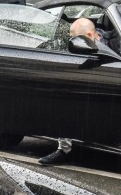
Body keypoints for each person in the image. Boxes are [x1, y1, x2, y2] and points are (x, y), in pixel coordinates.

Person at [38, 18, 107, 166]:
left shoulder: (113, 45)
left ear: (89, 35)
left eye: (74, 38)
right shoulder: (75, 46)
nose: (71, 42)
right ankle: (65, 150)